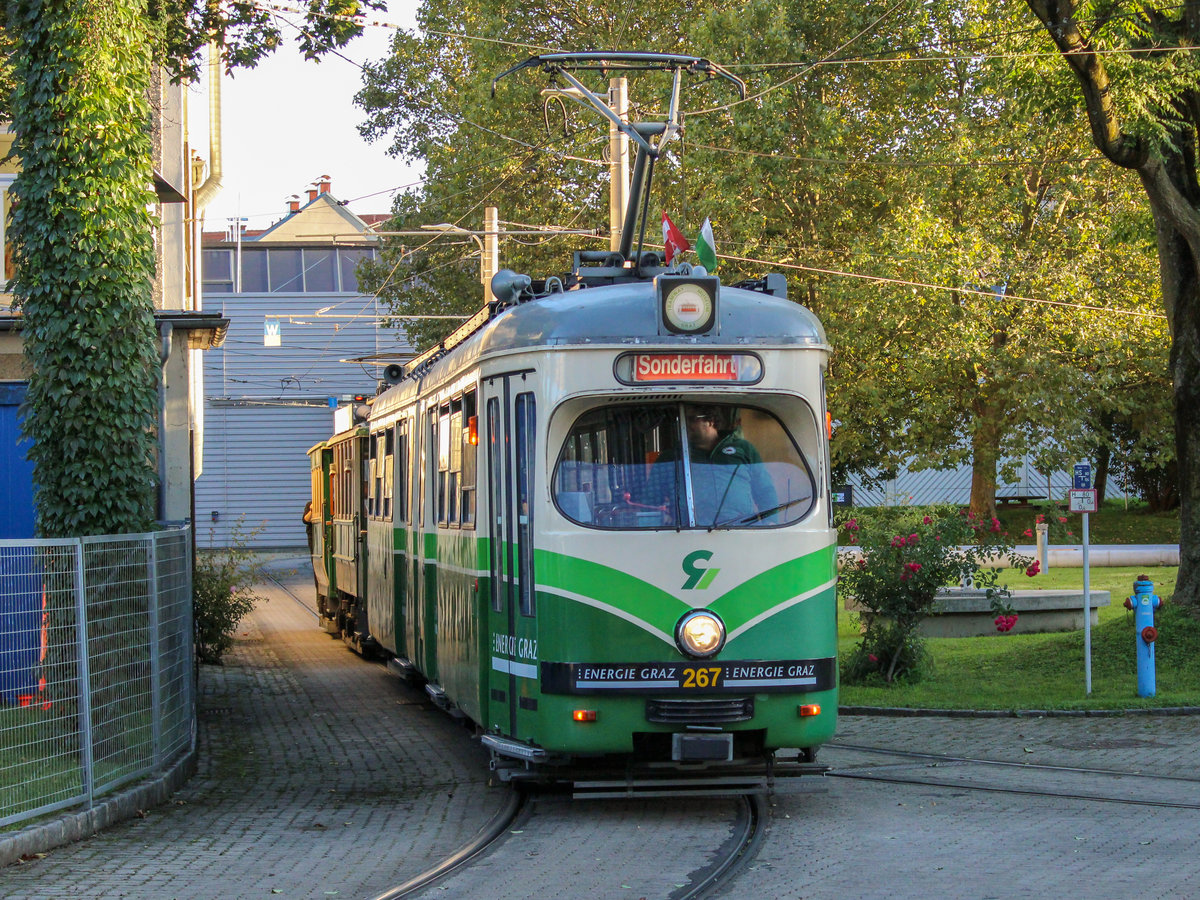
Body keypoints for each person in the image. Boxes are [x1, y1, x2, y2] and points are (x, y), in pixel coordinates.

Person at [683, 406, 778, 526]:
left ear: (710, 421)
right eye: (683, 420)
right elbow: (654, 498)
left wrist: (771, 521)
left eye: (691, 419)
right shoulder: (676, 455)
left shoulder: (743, 448)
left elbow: (765, 489)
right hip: (690, 531)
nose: (685, 425)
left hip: (742, 529)